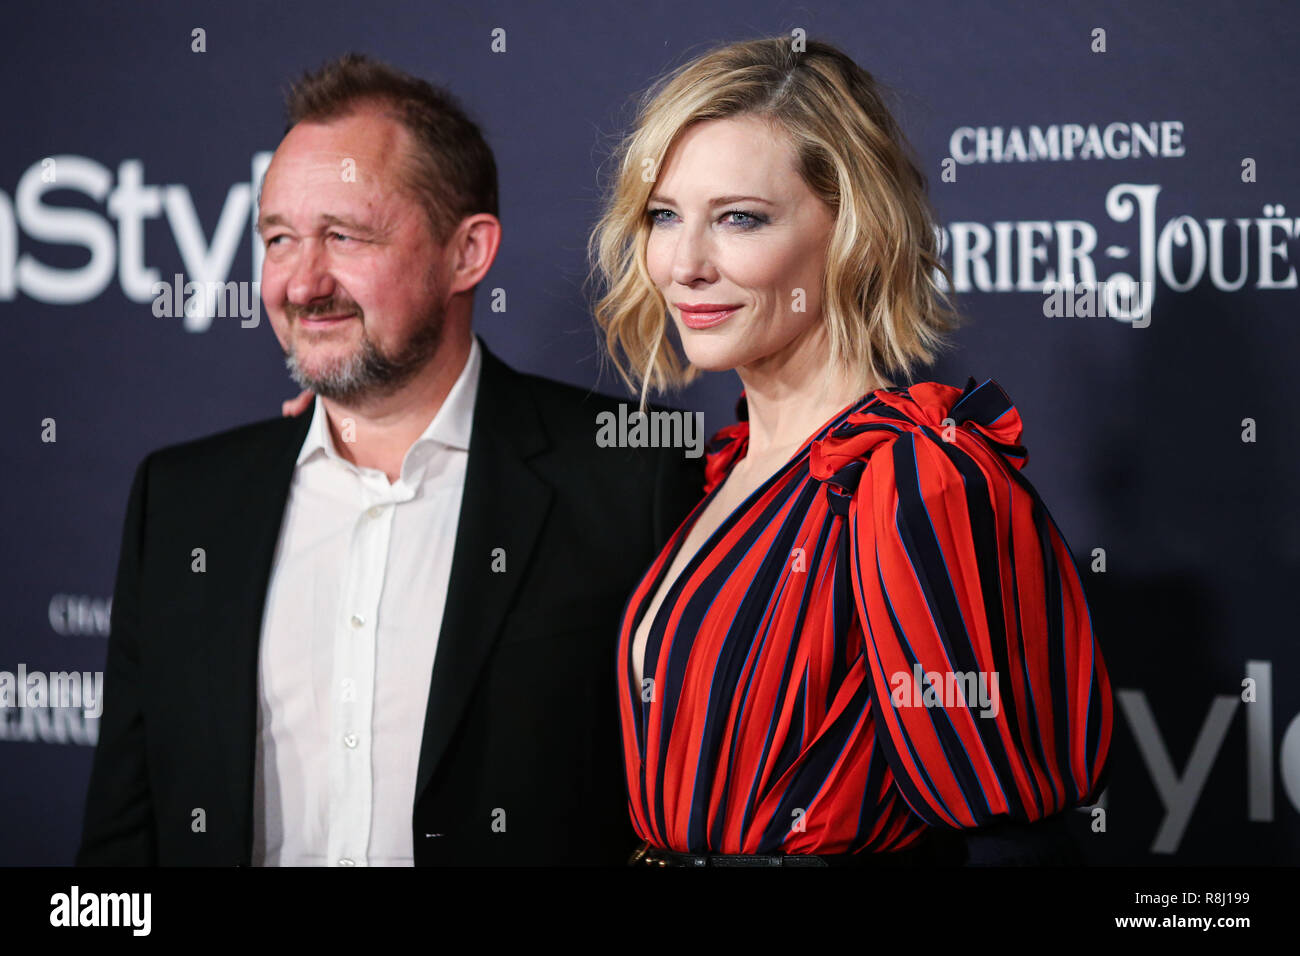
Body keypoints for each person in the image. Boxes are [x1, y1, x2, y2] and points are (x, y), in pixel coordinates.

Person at [76, 53, 703, 867]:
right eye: (277, 238)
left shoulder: (631, 475)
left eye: (344, 235)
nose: (302, 284)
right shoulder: (184, 501)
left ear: (467, 253)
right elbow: (122, 846)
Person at [587, 36, 1114, 866]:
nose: (683, 264)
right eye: (663, 216)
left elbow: (990, 789)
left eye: (738, 218)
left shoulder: (909, 473)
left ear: (853, 231)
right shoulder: (727, 469)